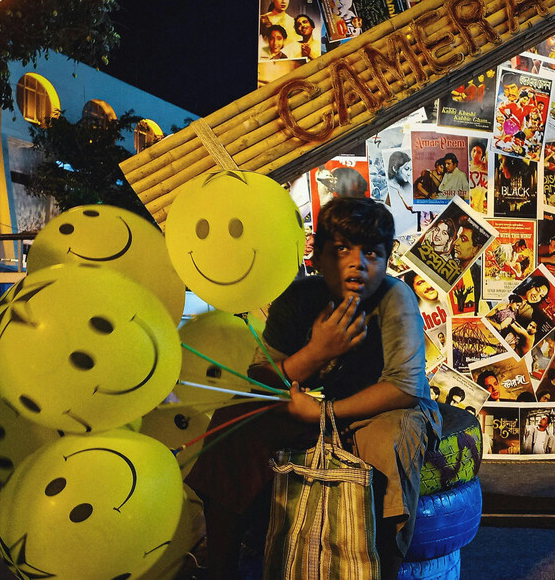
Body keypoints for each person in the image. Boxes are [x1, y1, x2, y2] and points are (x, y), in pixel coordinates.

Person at [186, 198, 441, 579]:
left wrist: (324, 413)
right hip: (316, 408)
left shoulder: (395, 298)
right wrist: (318, 351)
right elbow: (260, 381)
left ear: (386, 260)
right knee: (233, 423)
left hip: (384, 408)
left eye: (372, 252)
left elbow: (403, 388)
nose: (359, 262)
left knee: (387, 444)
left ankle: (383, 568)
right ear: (318, 256)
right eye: (342, 249)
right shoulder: (298, 299)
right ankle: (222, 566)